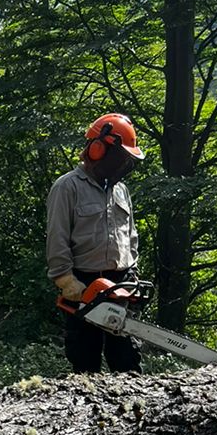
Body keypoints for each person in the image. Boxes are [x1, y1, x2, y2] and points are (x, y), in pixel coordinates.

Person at [45, 113, 144, 375]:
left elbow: (130, 235)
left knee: (127, 362)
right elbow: (57, 237)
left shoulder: (121, 190)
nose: (124, 163)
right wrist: (66, 281)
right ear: (99, 149)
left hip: (121, 281)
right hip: (84, 284)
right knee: (85, 364)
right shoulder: (67, 187)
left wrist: (132, 270)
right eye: (120, 156)